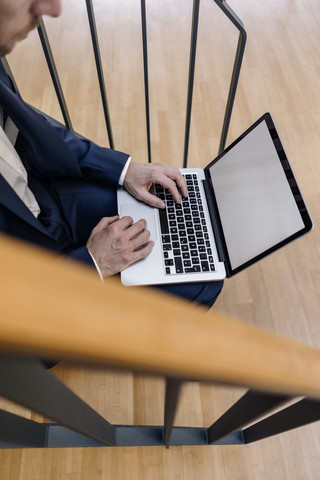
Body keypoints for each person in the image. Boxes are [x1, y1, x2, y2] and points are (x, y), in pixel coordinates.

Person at [0, 0, 223, 308]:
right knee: (201, 285)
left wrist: (125, 169)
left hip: (43, 198)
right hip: (29, 273)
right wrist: (93, 264)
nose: (52, 8)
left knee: (173, 214)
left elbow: (29, 128)